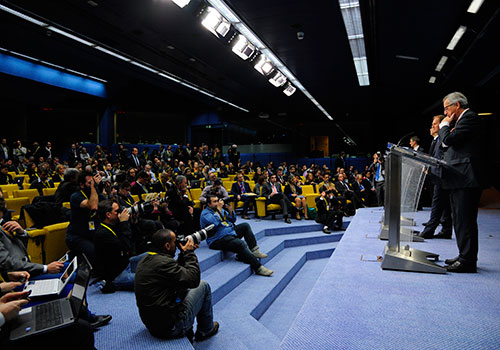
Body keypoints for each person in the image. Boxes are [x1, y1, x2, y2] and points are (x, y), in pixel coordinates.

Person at [134, 228, 219, 343]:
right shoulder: (164, 263)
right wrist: (189, 253)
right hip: (170, 328)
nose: (178, 243)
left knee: (183, 287)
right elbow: (193, 280)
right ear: (167, 246)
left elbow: (177, 274)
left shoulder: (147, 259)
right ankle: (206, 330)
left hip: (152, 324)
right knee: (204, 286)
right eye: (175, 242)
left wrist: (183, 254)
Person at [439, 92, 487, 273]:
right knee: (459, 220)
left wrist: (444, 125)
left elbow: (449, 140)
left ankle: (468, 260)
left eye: (446, 108)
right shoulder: (461, 121)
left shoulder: (470, 118)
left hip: (466, 178)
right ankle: (464, 254)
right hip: (458, 178)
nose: (445, 112)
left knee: (465, 220)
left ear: (456, 105)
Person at [200, 194, 273, 276]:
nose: (217, 203)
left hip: (228, 233)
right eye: (214, 202)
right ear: (209, 204)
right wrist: (219, 209)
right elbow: (215, 223)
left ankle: (254, 250)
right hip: (216, 239)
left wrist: (230, 210)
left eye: (217, 201)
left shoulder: (219, 210)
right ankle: (258, 268)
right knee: (240, 243)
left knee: (245, 226)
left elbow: (232, 220)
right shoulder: (205, 214)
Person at [94, 200, 147, 293]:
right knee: (149, 279)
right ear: (108, 215)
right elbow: (126, 247)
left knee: (152, 255)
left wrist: (134, 222)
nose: (120, 213)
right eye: (117, 211)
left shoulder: (114, 224)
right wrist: (124, 223)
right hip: (116, 275)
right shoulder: (102, 233)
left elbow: (135, 241)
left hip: (126, 264)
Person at [419, 115, 452, 239]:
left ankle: (429, 230)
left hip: (441, 176)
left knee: (437, 203)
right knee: (443, 205)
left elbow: (440, 158)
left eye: (435, 123)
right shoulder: (437, 140)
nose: (432, 126)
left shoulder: (443, 139)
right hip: (436, 175)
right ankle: (446, 229)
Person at [66, 171, 103, 270]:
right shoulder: (76, 196)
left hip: (91, 233)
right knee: (94, 251)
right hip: (76, 237)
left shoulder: (94, 192)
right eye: (89, 183)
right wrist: (93, 188)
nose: (92, 184)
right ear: (81, 185)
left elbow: (107, 203)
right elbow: (93, 206)